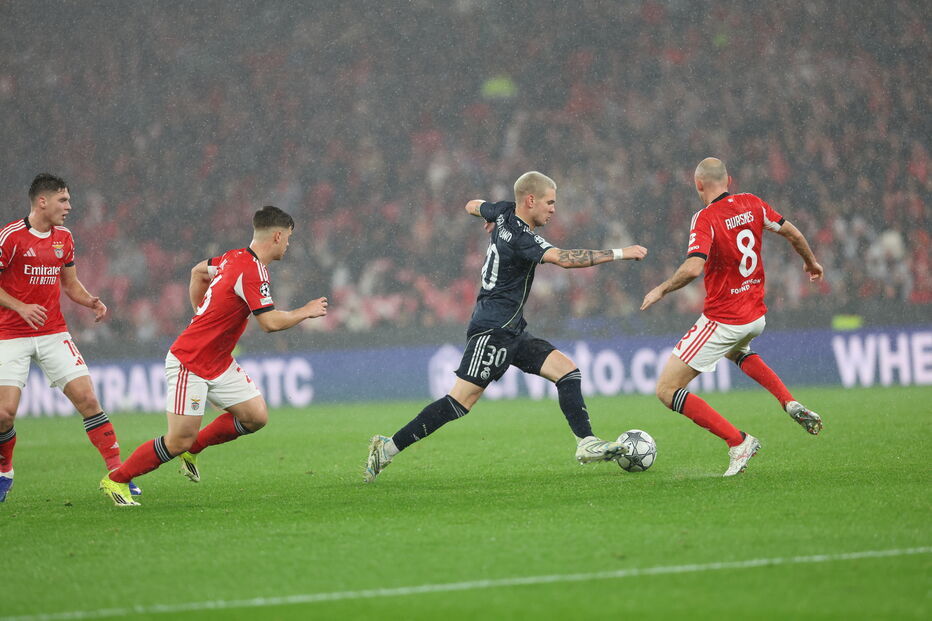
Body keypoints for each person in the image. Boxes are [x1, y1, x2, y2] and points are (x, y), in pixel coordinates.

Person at [364, 171, 647, 482]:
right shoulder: (522, 237)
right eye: (550, 203)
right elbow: (565, 259)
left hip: (512, 328)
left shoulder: (503, 211)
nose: (554, 209)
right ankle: (387, 448)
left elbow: (472, 205)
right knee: (459, 402)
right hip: (493, 329)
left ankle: (586, 442)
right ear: (530, 200)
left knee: (567, 372)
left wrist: (487, 216)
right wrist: (620, 253)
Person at [99, 206, 328, 506]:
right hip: (190, 361)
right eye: (288, 238)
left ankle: (194, 448)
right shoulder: (253, 271)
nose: (288, 244)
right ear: (277, 236)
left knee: (255, 417)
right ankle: (117, 479)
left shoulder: (233, 257)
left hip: (218, 362)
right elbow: (269, 323)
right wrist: (305, 311)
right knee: (178, 440)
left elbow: (197, 271)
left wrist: (199, 312)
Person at [640, 157, 824, 477]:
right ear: (729, 180)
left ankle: (738, 441)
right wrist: (811, 263)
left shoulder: (705, 217)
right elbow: (793, 234)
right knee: (738, 351)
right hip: (755, 315)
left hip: (723, 319)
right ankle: (788, 401)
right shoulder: (752, 203)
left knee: (666, 390)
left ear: (698, 184)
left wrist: (662, 289)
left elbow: (693, 268)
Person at [0, 173, 139, 502]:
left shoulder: (64, 237)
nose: (69, 206)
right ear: (42, 201)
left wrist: (91, 300)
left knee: (88, 400)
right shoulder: (10, 237)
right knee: (4, 414)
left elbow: (70, 284)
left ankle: (118, 474)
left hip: (53, 332)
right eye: (63, 200)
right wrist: (20, 306)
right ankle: (4, 469)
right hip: (10, 334)